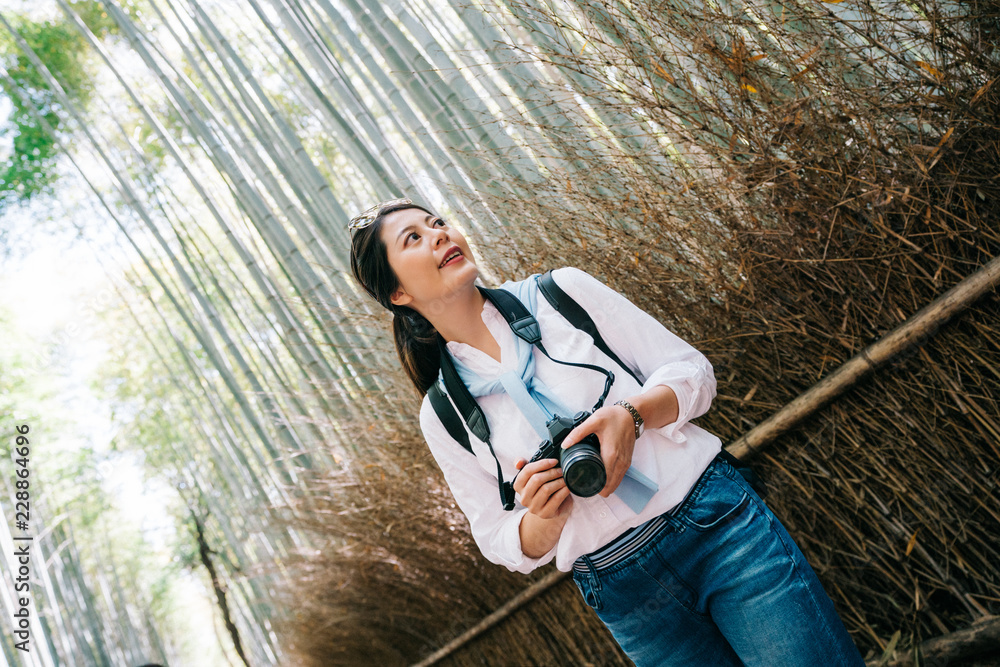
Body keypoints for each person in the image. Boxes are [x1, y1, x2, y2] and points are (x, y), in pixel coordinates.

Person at [348, 197, 867, 666]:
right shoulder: (443, 413)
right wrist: (544, 517)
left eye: (437, 222)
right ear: (396, 292)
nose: (439, 234)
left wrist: (633, 415)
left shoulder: (559, 295)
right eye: (413, 238)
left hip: (717, 528)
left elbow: (693, 374)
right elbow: (498, 538)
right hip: (627, 595)